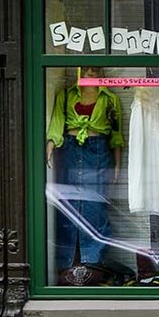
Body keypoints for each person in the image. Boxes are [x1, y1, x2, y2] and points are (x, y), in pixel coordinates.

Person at [46, 66, 124, 273]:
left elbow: (116, 133)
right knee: (67, 206)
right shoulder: (66, 95)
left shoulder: (110, 99)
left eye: (96, 68)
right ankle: (67, 263)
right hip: (70, 149)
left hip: (98, 150)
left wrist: (117, 163)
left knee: (94, 207)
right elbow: (57, 123)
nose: (91, 72)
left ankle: (92, 261)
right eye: (86, 68)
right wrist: (51, 146)